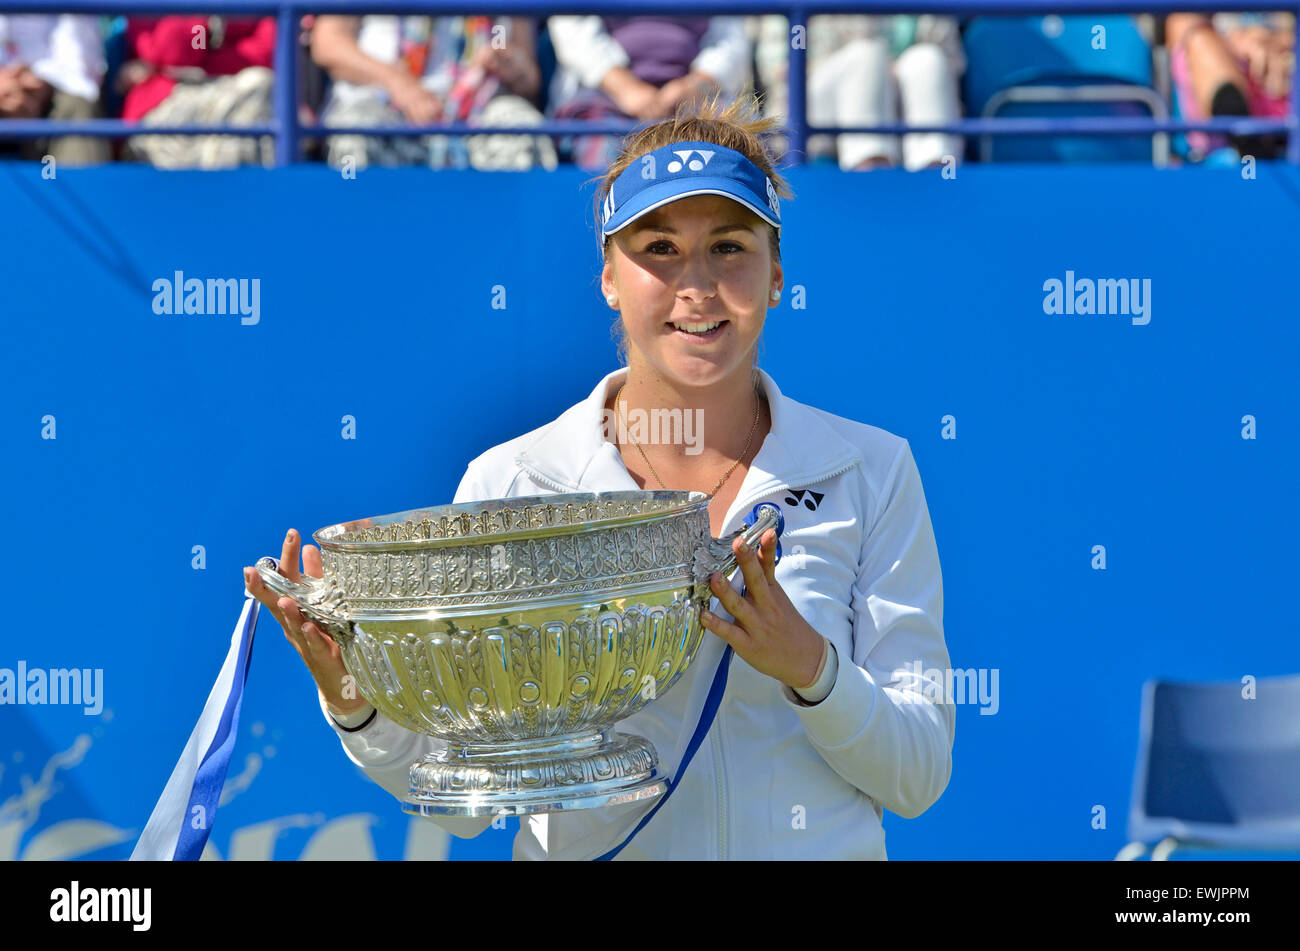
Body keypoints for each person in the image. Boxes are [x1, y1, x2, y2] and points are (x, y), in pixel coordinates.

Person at [244, 93, 955, 860]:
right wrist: (356, 702)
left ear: (776, 272)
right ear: (609, 278)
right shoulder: (514, 479)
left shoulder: (871, 470)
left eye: (729, 247)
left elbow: (917, 774)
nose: (698, 285)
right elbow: (465, 804)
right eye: (657, 248)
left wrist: (810, 667)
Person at [309, 14, 556, 171]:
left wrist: (510, 63)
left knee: (521, 127)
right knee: (355, 131)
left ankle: (516, 246)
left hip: (475, 119)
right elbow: (328, 43)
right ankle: (358, 246)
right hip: (384, 106)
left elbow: (529, 79)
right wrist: (400, 85)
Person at [0, 13, 109, 165]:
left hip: (53, 90)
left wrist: (38, 81)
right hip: (11, 87)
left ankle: (79, 186)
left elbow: (80, 67)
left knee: (77, 106)